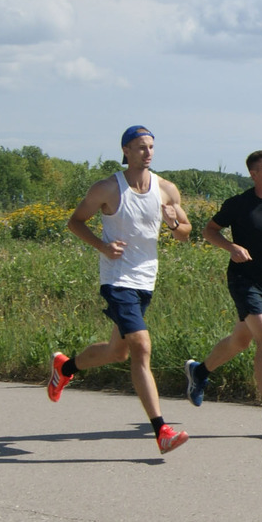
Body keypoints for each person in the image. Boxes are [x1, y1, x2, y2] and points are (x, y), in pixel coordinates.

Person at [47, 125, 192, 455]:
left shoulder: (166, 189)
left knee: (118, 351)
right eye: (141, 147)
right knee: (141, 346)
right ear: (125, 150)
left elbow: (185, 232)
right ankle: (162, 431)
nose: (148, 152)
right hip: (117, 279)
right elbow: (75, 221)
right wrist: (102, 246)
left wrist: (172, 223)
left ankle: (64, 368)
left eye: (152, 146)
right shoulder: (108, 188)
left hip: (146, 280)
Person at [184, 149, 262, 430]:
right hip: (243, 280)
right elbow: (209, 230)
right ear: (254, 174)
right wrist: (231, 247)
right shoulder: (238, 204)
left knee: (241, 340)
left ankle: (199, 371)